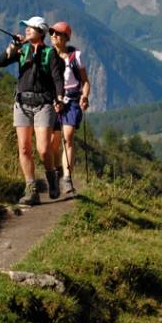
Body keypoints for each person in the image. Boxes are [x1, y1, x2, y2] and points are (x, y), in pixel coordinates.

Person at [0, 16, 65, 205]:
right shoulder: (21, 49)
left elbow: (58, 79)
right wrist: (12, 47)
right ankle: (31, 190)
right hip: (22, 104)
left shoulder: (50, 54)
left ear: (41, 32)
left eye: (31, 27)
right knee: (24, 148)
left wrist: (59, 98)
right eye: (26, 27)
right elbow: (0, 63)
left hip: (44, 104)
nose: (27, 29)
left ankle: (52, 177)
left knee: (43, 149)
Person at [48, 21, 90, 195]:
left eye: (58, 33)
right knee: (53, 142)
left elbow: (85, 81)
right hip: (53, 101)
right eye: (52, 33)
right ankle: (58, 169)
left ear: (66, 38)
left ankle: (66, 177)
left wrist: (84, 96)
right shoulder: (48, 55)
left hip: (72, 100)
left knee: (68, 138)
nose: (54, 36)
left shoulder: (75, 56)